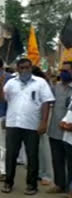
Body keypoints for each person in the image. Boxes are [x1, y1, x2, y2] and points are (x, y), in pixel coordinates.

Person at [1, 58, 55, 195]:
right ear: (18, 69)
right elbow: (3, 98)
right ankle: (8, 182)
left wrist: (43, 122)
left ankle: (31, 185)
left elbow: (46, 103)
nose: (25, 70)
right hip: (13, 124)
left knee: (32, 156)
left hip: (32, 125)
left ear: (31, 68)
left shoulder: (40, 83)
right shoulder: (11, 82)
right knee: (11, 155)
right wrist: (0, 85)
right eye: (22, 68)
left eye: (27, 67)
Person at [47, 61, 72, 194]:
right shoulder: (56, 87)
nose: (63, 73)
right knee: (57, 159)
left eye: (67, 70)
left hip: (69, 132)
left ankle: (70, 189)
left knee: (70, 162)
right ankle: (59, 185)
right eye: (62, 70)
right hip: (55, 130)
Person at [59, 103, 72, 198]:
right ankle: (70, 191)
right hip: (68, 139)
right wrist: (63, 122)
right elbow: (69, 112)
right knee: (70, 167)